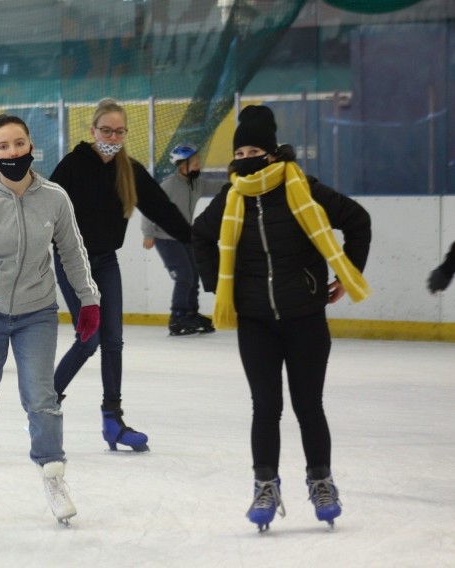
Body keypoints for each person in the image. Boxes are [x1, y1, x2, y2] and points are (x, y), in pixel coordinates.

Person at [191, 105, 372, 531]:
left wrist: (349, 272)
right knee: (266, 406)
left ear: (272, 154)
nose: (246, 157)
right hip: (255, 321)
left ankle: (321, 480)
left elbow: (357, 221)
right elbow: (200, 235)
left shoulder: (302, 188)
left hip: (305, 315)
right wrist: (221, 289)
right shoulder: (232, 197)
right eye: (241, 150)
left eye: (255, 149)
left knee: (309, 406)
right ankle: (265, 485)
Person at [0, 114, 100, 525]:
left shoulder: (55, 197)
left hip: (37, 313)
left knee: (41, 398)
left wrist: (89, 300)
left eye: (19, 144)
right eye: (4, 147)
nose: (13, 152)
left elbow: (74, 253)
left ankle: (52, 473)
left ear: (30, 148)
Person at [50, 98, 192, 452]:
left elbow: (163, 209)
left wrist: (200, 244)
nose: (111, 137)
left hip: (106, 261)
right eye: (105, 130)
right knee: (89, 340)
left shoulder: (129, 170)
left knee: (113, 340)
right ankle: (44, 406)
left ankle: (113, 420)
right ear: (92, 130)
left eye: (118, 131)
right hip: (72, 261)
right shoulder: (72, 166)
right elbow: (45, 210)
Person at [142, 144, 221, 336]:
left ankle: (191, 313)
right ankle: (177, 317)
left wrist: (239, 179)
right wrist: (148, 233)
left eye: (198, 163)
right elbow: (150, 206)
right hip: (165, 238)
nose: (198, 166)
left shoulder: (198, 184)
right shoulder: (168, 185)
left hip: (185, 237)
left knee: (193, 276)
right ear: (182, 165)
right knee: (184, 276)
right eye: (194, 163)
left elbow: (220, 185)